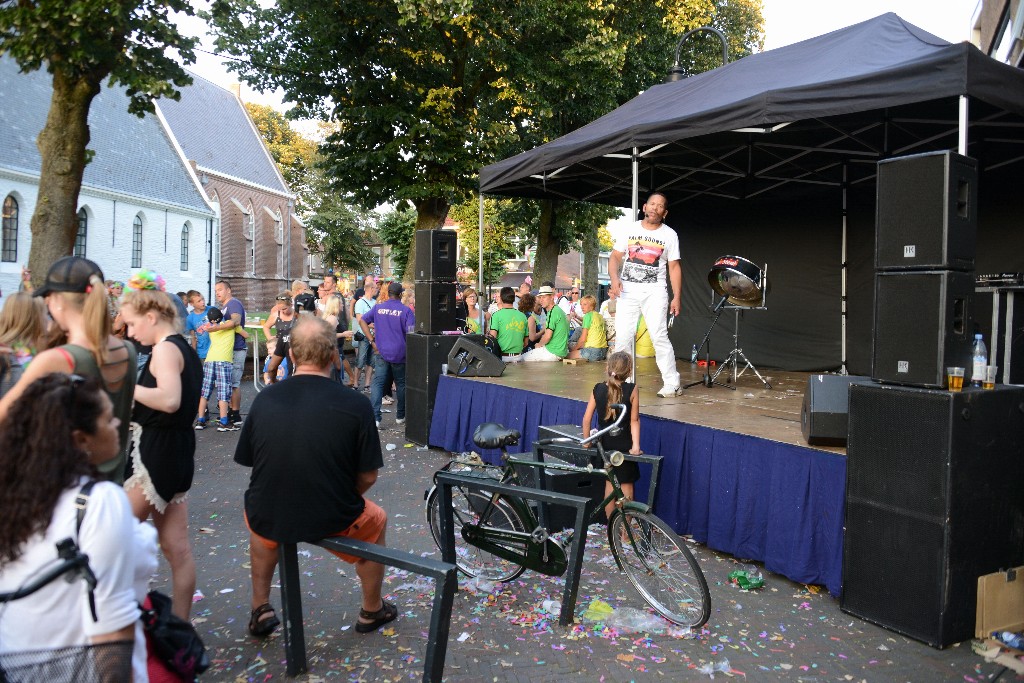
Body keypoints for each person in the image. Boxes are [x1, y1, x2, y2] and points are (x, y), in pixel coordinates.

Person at [234, 315, 394, 637]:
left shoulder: (264, 399)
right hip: (333, 511)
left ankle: (260, 606)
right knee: (376, 522)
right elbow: (369, 476)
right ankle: (371, 610)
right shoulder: (356, 405)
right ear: (334, 355)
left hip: (271, 510)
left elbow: (251, 461)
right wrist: (336, 491)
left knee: (260, 520)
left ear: (291, 355)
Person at [0, 374, 154, 682]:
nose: (117, 424)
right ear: (81, 439)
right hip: (80, 669)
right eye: (108, 419)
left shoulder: (12, 497)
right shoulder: (98, 501)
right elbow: (111, 632)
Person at [0, 256, 136, 483]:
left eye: (47, 298)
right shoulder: (127, 350)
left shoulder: (58, 359)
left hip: (65, 492)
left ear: (57, 301)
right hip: (109, 488)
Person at [120, 272, 203, 620]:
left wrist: (123, 391)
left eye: (132, 323)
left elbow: (169, 400)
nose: (129, 333)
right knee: (177, 549)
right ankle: (182, 632)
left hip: (153, 457)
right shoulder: (182, 347)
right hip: (176, 453)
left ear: (151, 317)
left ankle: (117, 625)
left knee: (110, 540)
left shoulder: (166, 350)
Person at [608, 192, 683, 397]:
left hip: (655, 291)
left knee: (659, 335)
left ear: (664, 212)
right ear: (644, 207)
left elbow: (674, 267)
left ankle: (672, 383)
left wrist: (677, 296)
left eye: (660, 206)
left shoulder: (670, 235)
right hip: (627, 291)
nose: (654, 208)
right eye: (652, 204)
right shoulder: (630, 229)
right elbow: (614, 258)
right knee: (623, 337)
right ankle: (622, 381)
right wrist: (615, 280)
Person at [581, 351, 642, 520]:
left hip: (605, 446)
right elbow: (634, 420)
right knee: (626, 486)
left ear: (607, 368)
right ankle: (624, 530)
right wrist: (635, 446)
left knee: (610, 485)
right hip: (624, 446)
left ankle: (610, 526)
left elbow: (586, 419)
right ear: (629, 371)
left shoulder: (598, 389)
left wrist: (586, 442)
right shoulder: (632, 389)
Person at [359, 282, 414, 428]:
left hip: (380, 350)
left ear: (388, 293)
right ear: (400, 294)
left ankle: (376, 417)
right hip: (400, 352)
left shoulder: (378, 308)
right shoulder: (406, 311)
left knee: (378, 382)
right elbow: (411, 332)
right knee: (401, 383)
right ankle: (400, 415)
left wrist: (371, 341)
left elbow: (362, 320)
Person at [194, 306, 236, 431]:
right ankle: (223, 421)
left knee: (205, 391)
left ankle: (200, 420)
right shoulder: (229, 325)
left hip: (209, 360)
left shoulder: (209, 328)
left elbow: (201, 329)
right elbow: (244, 334)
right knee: (223, 391)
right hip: (224, 361)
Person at [0, 292, 47, 398]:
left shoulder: (15, 348)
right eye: (45, 313)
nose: (46, 319)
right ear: (36, 319)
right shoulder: (19, 353)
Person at [214, 279, 246, 425]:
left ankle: (235, 414)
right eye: (215, 291)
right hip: (227, 350)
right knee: (227, 382)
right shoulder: (224, 307)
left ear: (228, 290)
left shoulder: (233, 303)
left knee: (234, 382)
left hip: (237, 348)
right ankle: (229, 410)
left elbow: (236, 321)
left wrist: (215, 328)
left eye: (220, 289)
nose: (217, 293)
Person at [520, 285, 569, 362]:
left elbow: (548, 336)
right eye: (540, 297)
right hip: (560, 351)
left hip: (552, 352)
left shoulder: (553, 312)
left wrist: (539, 345)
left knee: (520, 359)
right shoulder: (557, 310)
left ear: (552, 297)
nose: (541, 300)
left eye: (544, 297)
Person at [261, 291, 296, 383]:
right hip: (279, 345)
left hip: (292, 346)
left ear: (291, 305)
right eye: (280, 309)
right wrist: (270, 339)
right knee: (272, 367)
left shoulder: (296, 315)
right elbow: (266, 327)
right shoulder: (276, 315)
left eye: (284, 309)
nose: (282, 311)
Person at [488, 286, 528, 362]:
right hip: (519, 357)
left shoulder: (496, 315)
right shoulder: (523, 316)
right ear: (513, 299)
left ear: (501, 299)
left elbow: (492, 338)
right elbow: (526, 342)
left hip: (502, 358)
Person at [323, 294, 355, 385]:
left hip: (336, 348)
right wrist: (343, 334)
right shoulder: (332, 319)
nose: (343, 305)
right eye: (341, 303)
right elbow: (327, 335)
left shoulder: (333, 317)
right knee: (335, 375)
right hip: (333, 349)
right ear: (335, 306)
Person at [352, 279, 378, 392]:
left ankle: (367, 384)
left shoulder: (375, 302)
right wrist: (372, 325)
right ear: (371, 289)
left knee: (371, 362)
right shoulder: (360, 303)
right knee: (360, 361)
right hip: (363, 335)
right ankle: (355, 383)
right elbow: (359, 319)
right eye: (376, 288)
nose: (377, 290)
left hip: (374, 336)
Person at [568, 294, 608, 361]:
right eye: (581, 304)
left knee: (565, 356)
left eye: (585, 304)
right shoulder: (599, 316)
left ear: (592, 305)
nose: (582, 307)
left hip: (592, 351)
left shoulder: (587, 316)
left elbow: (583, 340)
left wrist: (573, 350)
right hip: (603, 352)